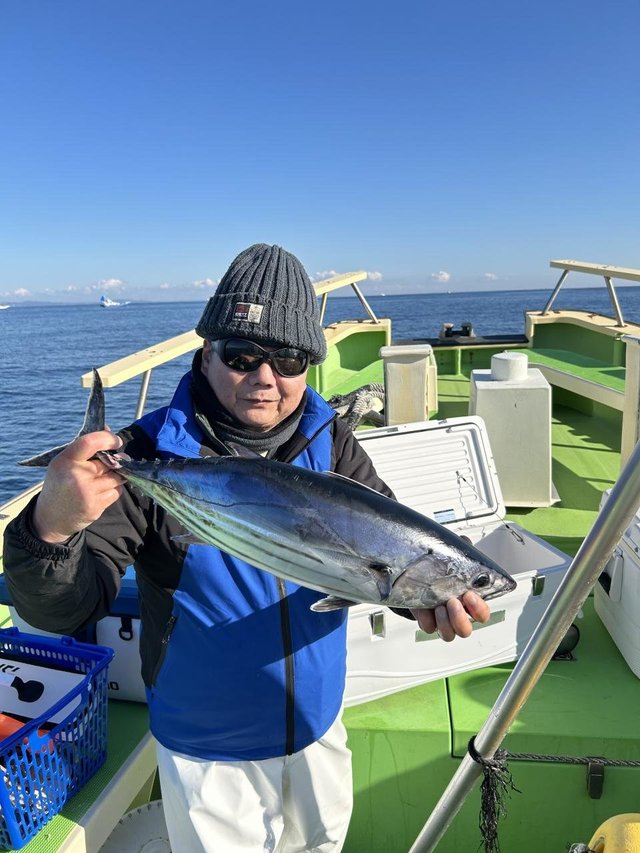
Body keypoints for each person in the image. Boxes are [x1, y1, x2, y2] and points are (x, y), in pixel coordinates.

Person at [3, 243, 490, 852]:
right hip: (210, 750)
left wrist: (418, 595)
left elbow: (376, 552)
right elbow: (63, 610)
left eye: (289, 359)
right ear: (206, 354)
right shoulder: (148, 454)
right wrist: (51, 527)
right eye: (242, 355)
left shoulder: (329, 437)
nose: (266, 378)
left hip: (316, 725)